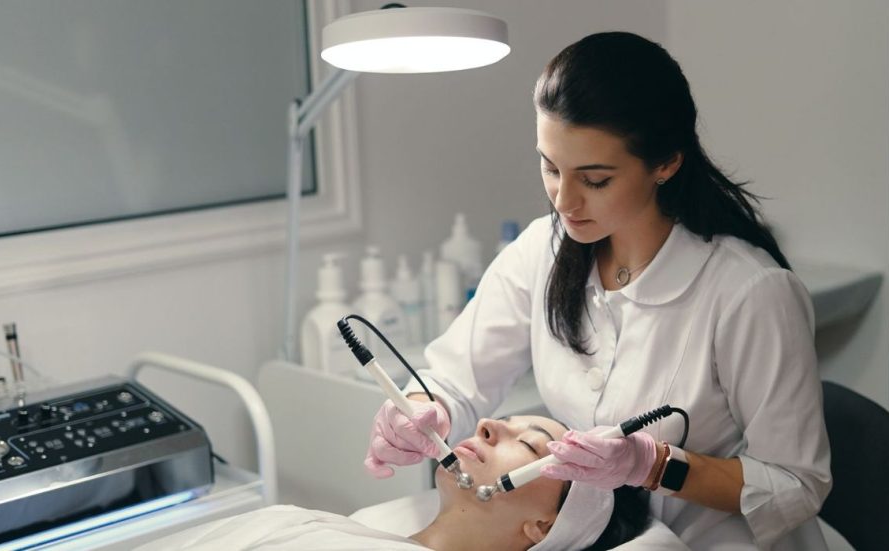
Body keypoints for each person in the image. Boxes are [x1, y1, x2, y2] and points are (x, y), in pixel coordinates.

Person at [364, 32, 831, 550]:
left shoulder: (750, 293)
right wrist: (420, 411)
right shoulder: (543, 250)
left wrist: (655, 466)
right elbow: (457, 378)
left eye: (595, 179)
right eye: (550, 167)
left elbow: (796, 483)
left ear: (666, 162)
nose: (564, 201)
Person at [136, 415, 651, 551]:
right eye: (506, 420)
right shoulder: (319, 526)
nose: (489, 425)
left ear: (542, 527)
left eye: (531, 445)